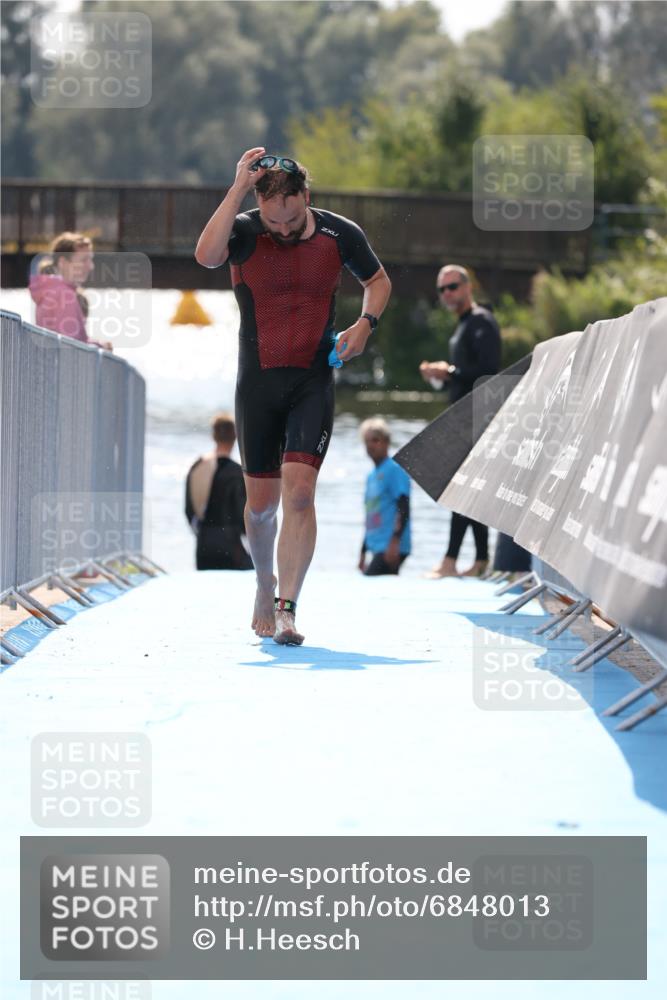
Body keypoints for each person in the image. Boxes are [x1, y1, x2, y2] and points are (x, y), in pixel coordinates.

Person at [195, 147, 391, 644]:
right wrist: (237, 188)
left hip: (312, 379)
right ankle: (264, 583)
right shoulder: (243, 230)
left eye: (291, 219)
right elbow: (206, 256)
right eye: (273, 221)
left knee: (300, 493)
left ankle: (287, 608)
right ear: (259, 206)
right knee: (261, 507)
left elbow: (377, 281)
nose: (282, 230)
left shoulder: (339, 234)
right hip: (257, 383)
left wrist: (365, 324)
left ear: (306, 195)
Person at [419, 264, 500, 578]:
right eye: (442, 289)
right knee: (470, 488)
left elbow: (489, 372)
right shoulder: (465, 324)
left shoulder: (482, 321)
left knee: (461, 487)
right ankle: (480, 560)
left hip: (477, 418)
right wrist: (443, 377)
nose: (447, 294)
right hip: (463, 417)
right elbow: (465, 376)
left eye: (452, 287)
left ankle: (451, 561)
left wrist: (449, 372)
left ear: (468, 287)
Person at [185, 413, 253, 571]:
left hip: (204, 545)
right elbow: (244, 515)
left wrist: (202, 534)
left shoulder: (197, 467)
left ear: (213, 436)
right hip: (231, 545)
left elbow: (189, 511)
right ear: (235, 437)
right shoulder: (238, 473)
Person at [29, 232, 113, 350]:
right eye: (84, 260)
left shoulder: (50, 289)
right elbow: (71, 348)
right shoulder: (64, 295)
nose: (90, 266)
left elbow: (68, 341)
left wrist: (98, 344)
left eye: (90, 260)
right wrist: (100, 348)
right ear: (63, 262)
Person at [359, 418, 411, 576]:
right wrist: (363, 551)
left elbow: (404, 505)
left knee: (370, 580)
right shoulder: (371, 476)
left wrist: (395, 541)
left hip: (391, 545)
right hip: (376, 545)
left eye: (375, 440)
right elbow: (370, 513)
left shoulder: (394, 469)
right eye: (367, 441)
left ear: (387, 442)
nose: (370, 445)